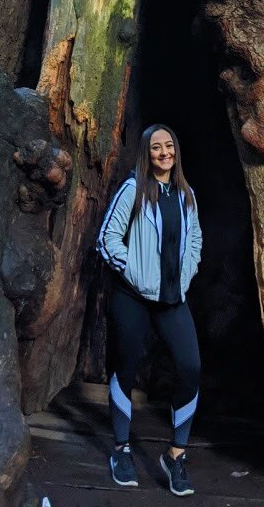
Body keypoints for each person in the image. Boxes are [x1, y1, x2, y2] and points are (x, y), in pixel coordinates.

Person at [96, 124, 202, 497]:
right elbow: (107, 238)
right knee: (125, 366)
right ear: (147, 154)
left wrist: (186, 274)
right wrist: (136, 273)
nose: (163, 153)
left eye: (168, 146)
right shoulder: (133, 189)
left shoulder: (187, 194)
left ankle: (176, 455)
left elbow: (196, 241)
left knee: (190, 368)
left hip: (173, 298)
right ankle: (121, 450)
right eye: (156, 147)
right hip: (133, 296)